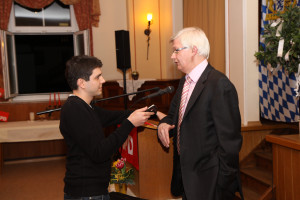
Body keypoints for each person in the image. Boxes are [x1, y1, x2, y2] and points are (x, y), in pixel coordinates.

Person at [157, 27, 243, 200]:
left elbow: (230, 145)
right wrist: (163, 124)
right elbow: (173, 115)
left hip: (211, 184)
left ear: (194, 50)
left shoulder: (219, 85)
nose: (172, 56)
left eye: (176, 50)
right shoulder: (185, 82)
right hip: (187, 179)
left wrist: (222, 187)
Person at [60, 55, 153, 200]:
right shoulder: (74, 110)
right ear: (82, 83)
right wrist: (130, 123)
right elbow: (100, 152)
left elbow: (115, 116)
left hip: (95, 189)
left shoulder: (86, 107)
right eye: (98, 77)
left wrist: (152, 112)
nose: (103, 81)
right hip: (87, 193)